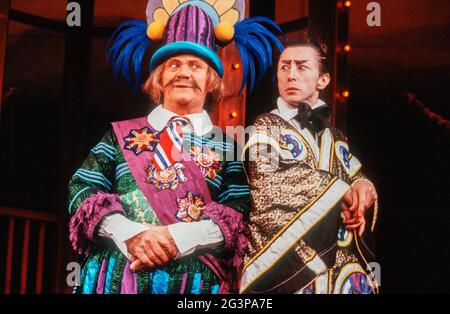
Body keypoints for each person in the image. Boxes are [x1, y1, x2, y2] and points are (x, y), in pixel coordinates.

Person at [67, 0, 283, 294]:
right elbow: (83, 189)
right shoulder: (118, 136)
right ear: (159, 77)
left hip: (195, 286)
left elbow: (240, 214)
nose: (184, 73)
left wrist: (178, 238)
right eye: (174, 65)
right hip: (117, 279)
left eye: (196, 66)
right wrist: (130, 234)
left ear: (211, 81)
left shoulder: (228, 147)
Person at [240, 38, 379, 294]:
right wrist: (339, 192)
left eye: (302, 67)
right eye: (284, 67)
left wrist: (363, 188)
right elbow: (267, 185)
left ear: (322, 80)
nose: (291, 75)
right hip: (289, 265)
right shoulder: (265, 125)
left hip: (339, 266)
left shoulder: (335, 137)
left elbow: (355, 175)